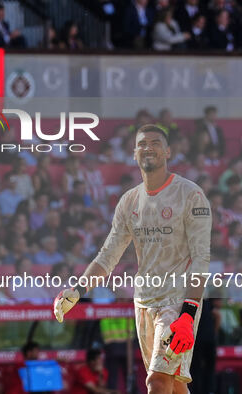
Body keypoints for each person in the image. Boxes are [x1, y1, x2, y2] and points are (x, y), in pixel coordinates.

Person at [54, 124, 211, 394]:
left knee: (156, 381)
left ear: (168, 151)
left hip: (176, 301)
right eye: (142, 144)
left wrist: (188, 313)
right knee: (172, 384)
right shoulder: (129, 201)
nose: (148, 148)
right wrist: (77, 289)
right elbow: (108, 255)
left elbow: (200, 258)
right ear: (134, 153)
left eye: (155, 143)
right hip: (144, 301)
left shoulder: (190, 194)